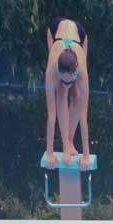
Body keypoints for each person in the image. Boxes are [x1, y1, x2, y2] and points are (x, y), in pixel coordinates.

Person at [45, 17, 91, 168]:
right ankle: (66, 145)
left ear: (76, 70)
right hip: (54, 33)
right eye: (63, 80)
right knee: (61, 94)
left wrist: (85, 155)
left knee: (77, 97)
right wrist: (50, 152)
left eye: (69, 81)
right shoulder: (52, 70)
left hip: (79, 37)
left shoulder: (82, 72)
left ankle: (69, 141)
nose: (67, 85)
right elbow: (51, 116)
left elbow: (84, 118)